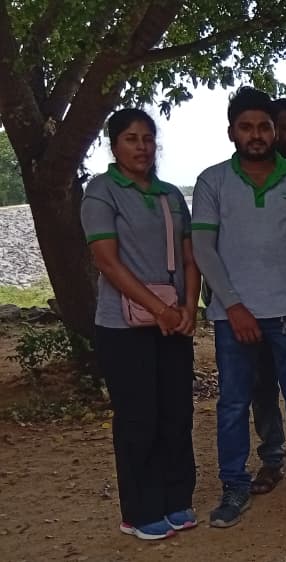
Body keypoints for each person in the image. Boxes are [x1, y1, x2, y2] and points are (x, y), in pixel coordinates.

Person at [192, 86, 286, 527]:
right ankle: (234, 486)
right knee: (234, 404)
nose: (256, 134)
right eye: (247, 127)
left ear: (275, 132)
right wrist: (233, 305)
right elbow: (204, 247)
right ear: (232, 133)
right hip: (232, 316)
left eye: (264, 127)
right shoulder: (212, 181)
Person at [80, 109, 200, 541]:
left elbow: (190, 258)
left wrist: (189, 305)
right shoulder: (102, 192)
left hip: (173, 320)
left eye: (148, 138)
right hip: (123, 326)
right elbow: (107, 261)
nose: (142, 147)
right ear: (114, 145)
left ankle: (176, 498)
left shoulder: (170, 195)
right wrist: (159, 307)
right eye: (131, 139)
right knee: (138, 417)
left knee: (176, 412)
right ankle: (141, 509)